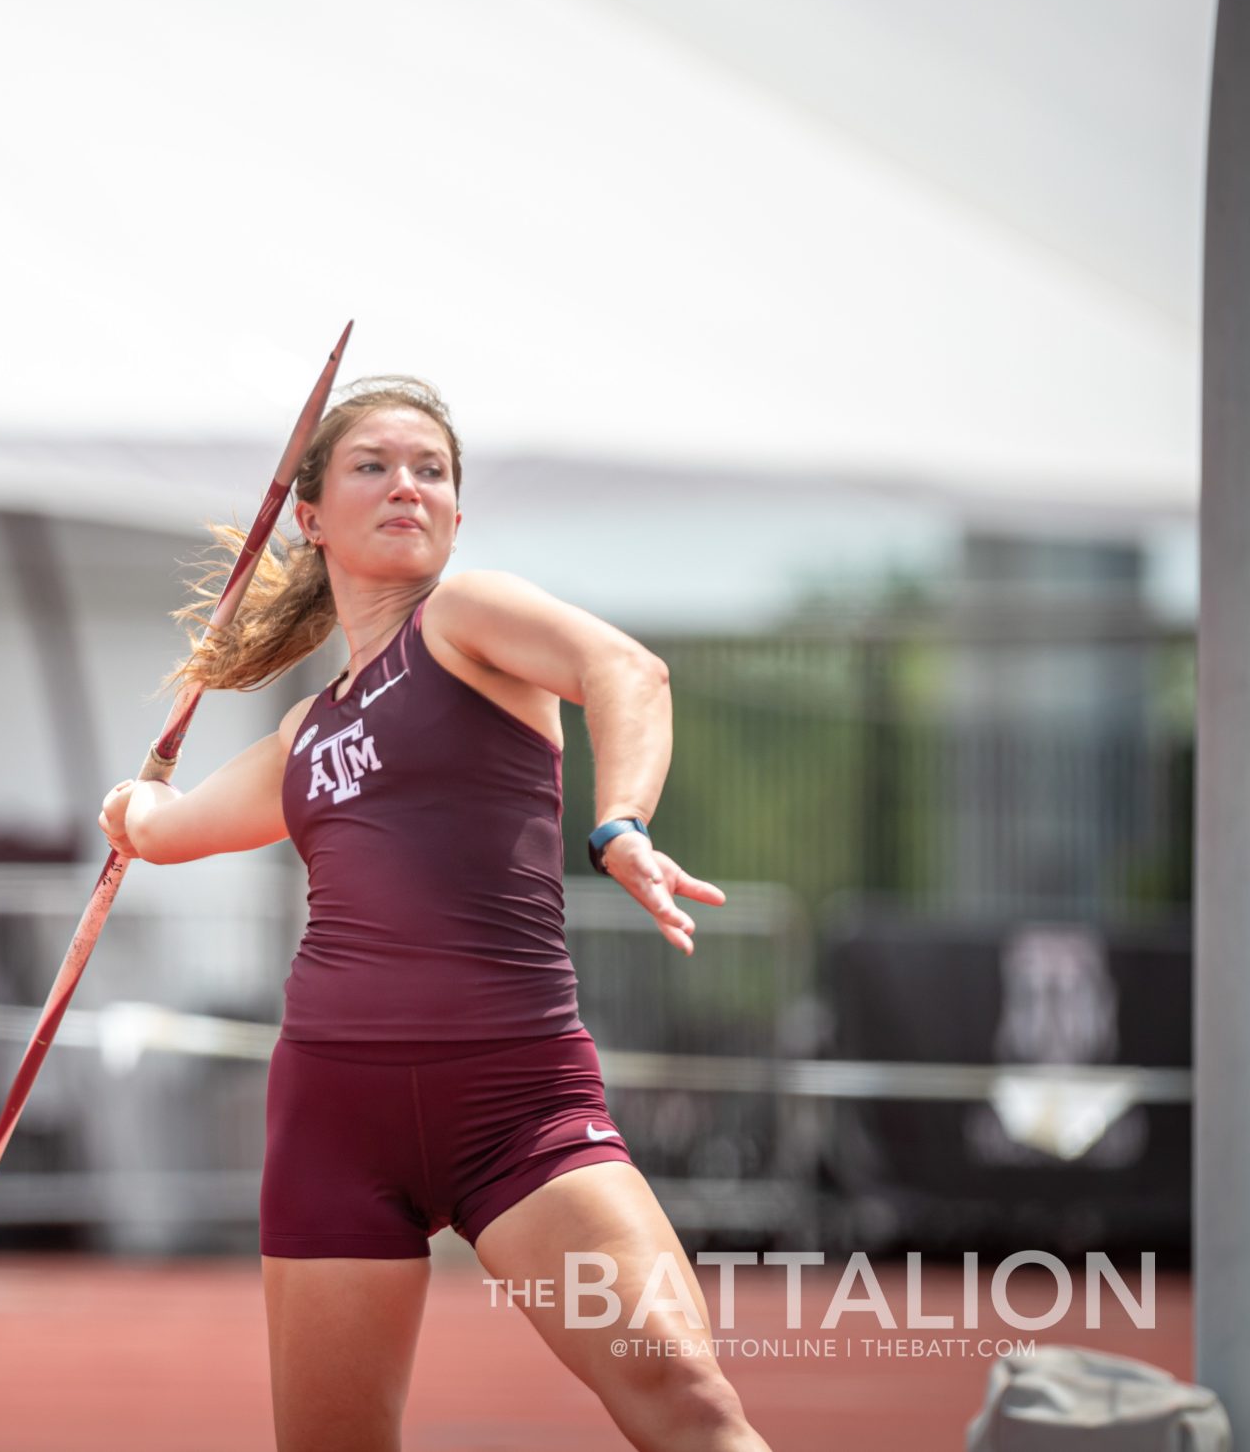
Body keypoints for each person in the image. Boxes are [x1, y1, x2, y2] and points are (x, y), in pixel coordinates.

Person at [98, 377, 769, 1452]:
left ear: (457, 514)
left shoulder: (465, 621)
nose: (407, 485)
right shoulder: (305, 732)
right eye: (373, 465)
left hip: (517, 1105)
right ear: (309, 518)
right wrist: (129, 808)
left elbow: (626, 670)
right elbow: (172, 830)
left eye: (432, 471)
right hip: (331, 1117)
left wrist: (623, 827)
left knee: (687, 1401)